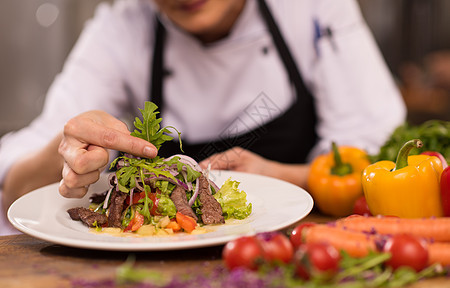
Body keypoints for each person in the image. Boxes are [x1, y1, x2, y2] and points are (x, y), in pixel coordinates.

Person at [0, 0, 406, 235]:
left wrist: (289, 177)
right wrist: (68, 153)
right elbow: (14, 175)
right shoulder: (122, 24)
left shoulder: (313, 8)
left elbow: (376, 156)